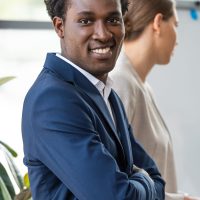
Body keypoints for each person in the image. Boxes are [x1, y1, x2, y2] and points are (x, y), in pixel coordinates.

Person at [21, 0, 165, 199]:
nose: (104, 34)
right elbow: (117, 196)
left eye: (113, 19)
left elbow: (158, 179)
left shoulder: (108, 95)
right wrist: (144, 181)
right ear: (60, 26)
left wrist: (141, 181)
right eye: (86, 21)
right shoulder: (53, 100)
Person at [111, 0, 200, 200]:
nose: (177, 39)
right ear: (158, 23)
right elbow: (115, 184)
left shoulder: (141, 85)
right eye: (175, 25)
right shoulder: (120, 82)